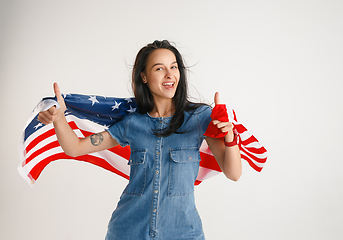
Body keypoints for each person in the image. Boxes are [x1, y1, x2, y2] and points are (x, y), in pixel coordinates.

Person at [38, 40, 242, 240]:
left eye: (174, 67)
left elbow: (234, 174)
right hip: (128, 231)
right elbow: (75, 148)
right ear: (144, 77)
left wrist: (230, 137)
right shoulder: (132, 124)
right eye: (159, 68)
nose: (170, 74)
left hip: (183, 233)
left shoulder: (201, 117)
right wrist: (59, 119)